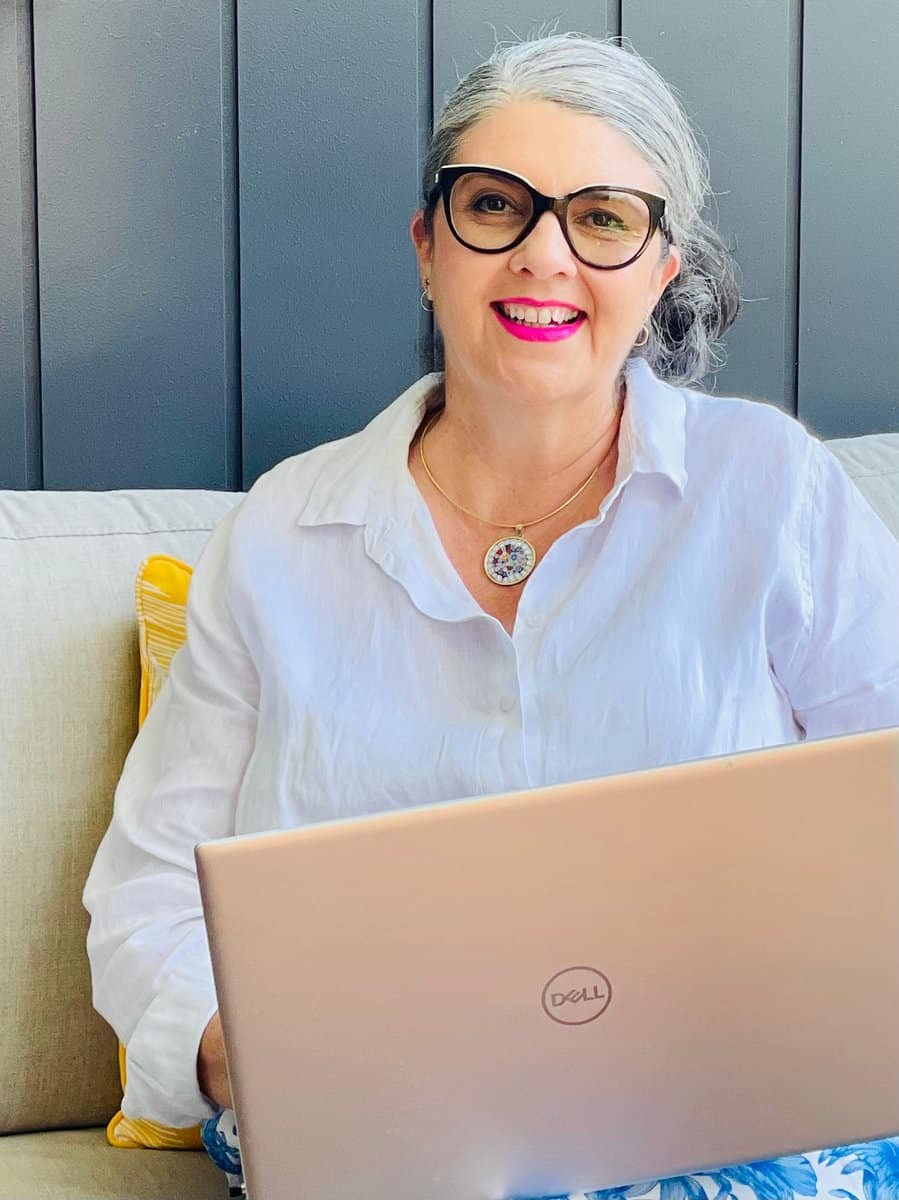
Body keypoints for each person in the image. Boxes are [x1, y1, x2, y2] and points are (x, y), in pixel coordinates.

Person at [83, 30, 899, 1200]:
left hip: (720, 1115)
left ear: (661, 267)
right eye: (494, 206)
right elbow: (149, 886)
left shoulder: (771, 489)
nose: (542, 256)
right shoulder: (278, 534)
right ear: (427, 247)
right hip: (383, 1133)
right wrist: (233, 1057)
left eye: (602, 218)